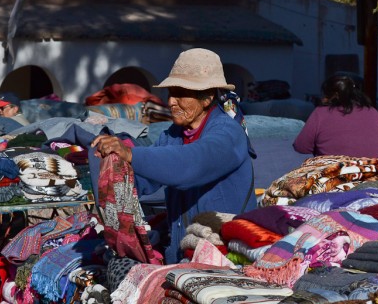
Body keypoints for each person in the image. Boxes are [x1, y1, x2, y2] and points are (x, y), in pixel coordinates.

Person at [91, 48, 256, 264]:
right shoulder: (174, 135)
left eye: (180, 94)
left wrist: (130, 153)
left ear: (206, 98)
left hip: (226, 258)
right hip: (184, 255)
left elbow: (189, 166)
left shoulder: (228, 134)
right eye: (171, 93)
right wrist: (112, 170)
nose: (171, 102)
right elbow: (144, 179)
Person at [293, 74, 378, 157]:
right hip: (373, 170)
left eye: (325, 95)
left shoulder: (321, 113)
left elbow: (301, 146)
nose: (323, 99)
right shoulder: (373, 112)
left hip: (336, 171)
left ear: (334, 95)